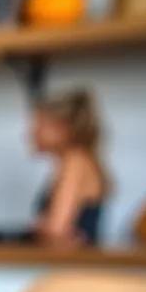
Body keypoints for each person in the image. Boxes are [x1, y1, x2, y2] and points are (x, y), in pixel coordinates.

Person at [30, 89, 109, 247]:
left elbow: (56, 230)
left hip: (79, 268)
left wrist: (39, 226)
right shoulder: (78, 160)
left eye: (40, 126)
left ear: (63, 128)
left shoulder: (75, 162)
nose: (32, 133)